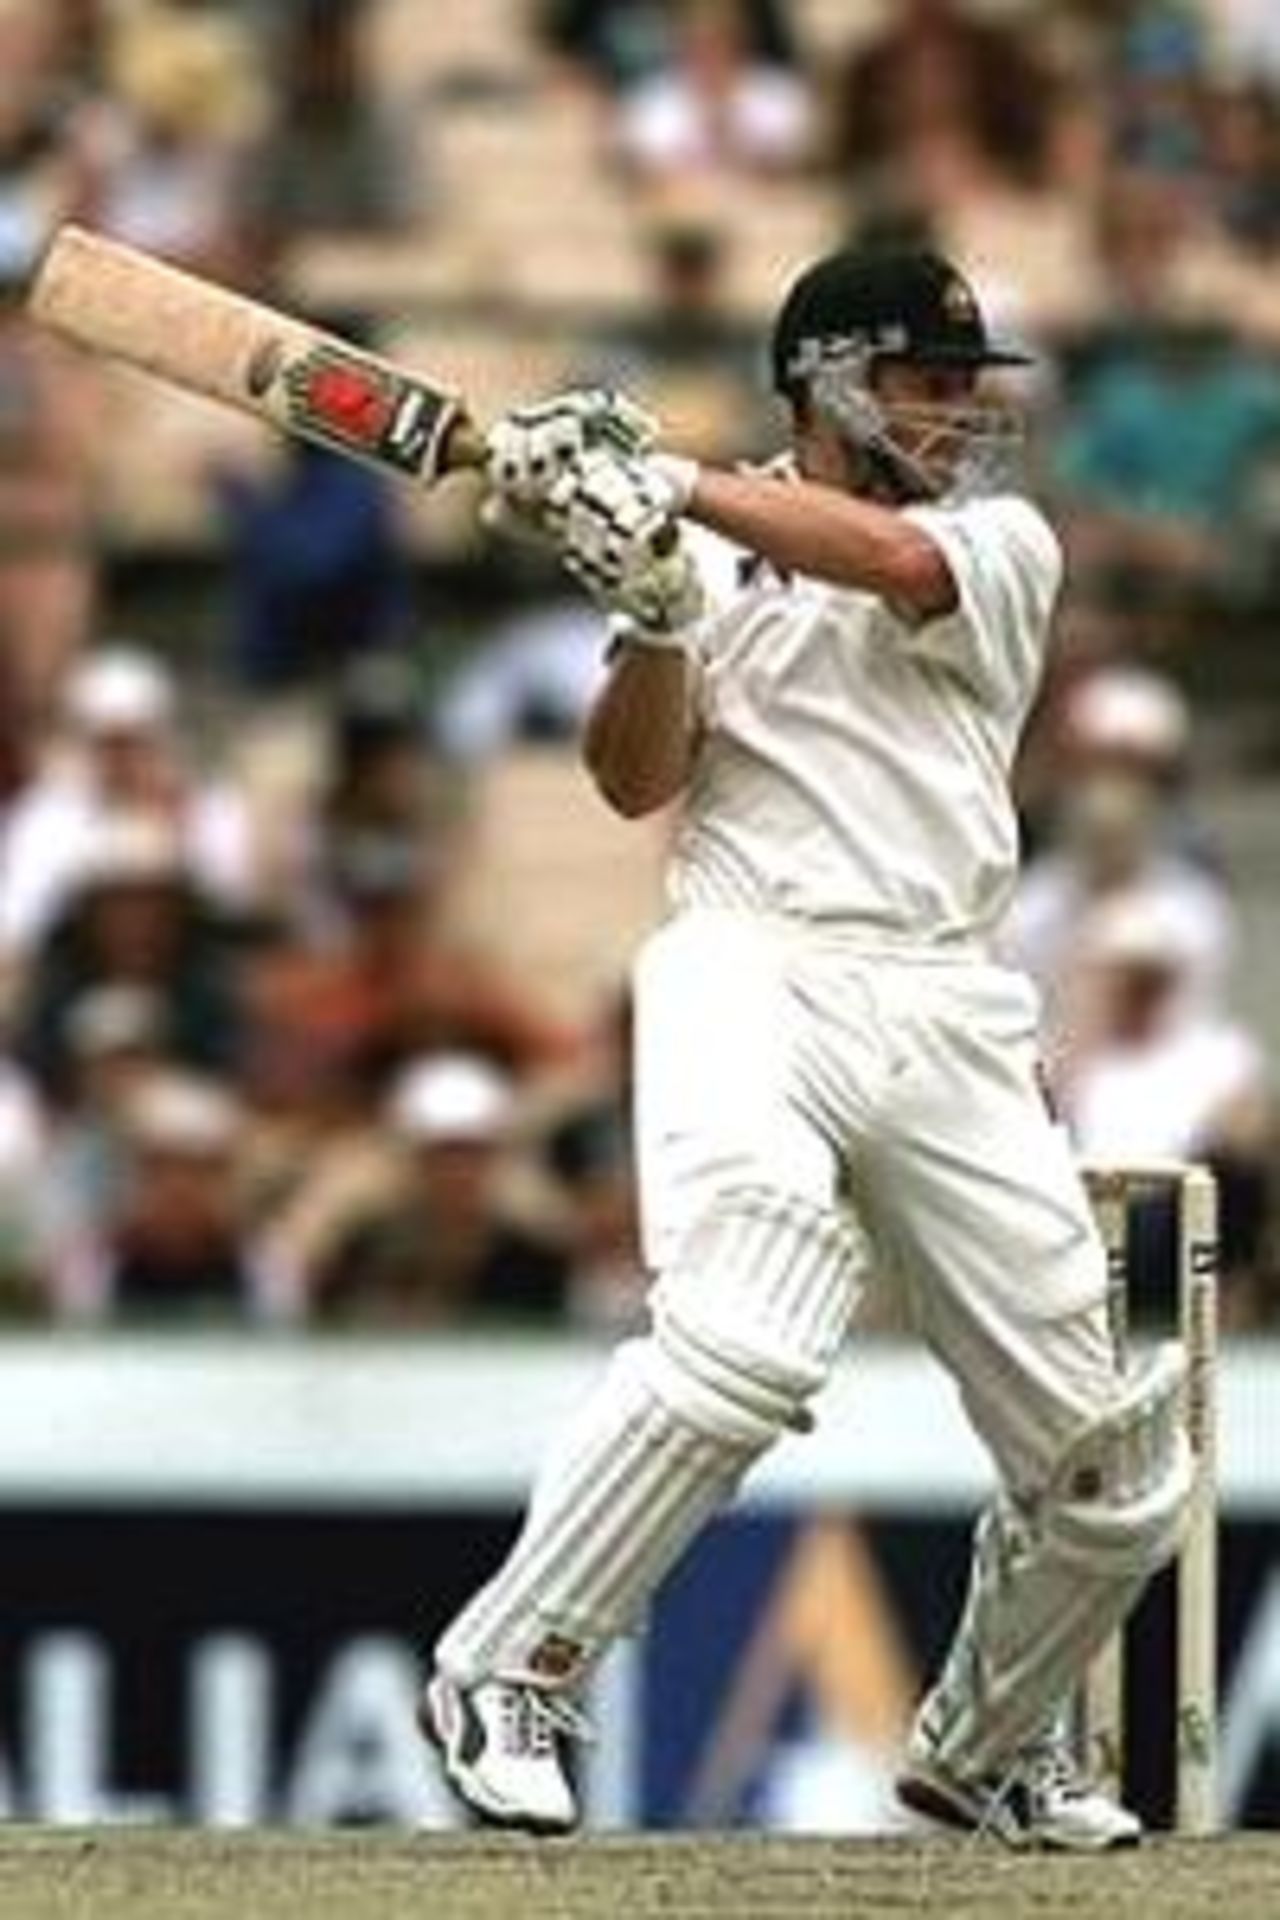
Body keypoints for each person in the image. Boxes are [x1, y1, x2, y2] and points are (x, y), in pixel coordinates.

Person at [420, 249, 1192, 1849]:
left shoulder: (996, 542)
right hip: (749, 966)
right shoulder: (700, 553)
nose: (963, 409)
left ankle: (989, 1744)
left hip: (948, 996)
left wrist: (671, 484)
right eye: (925, 378)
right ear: (826, 380)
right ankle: (511, 1669)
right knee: (743, 1346)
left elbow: (891, 566)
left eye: (971, 382)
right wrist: (645, 618)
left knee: (1114, 1468)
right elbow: (637, 786)